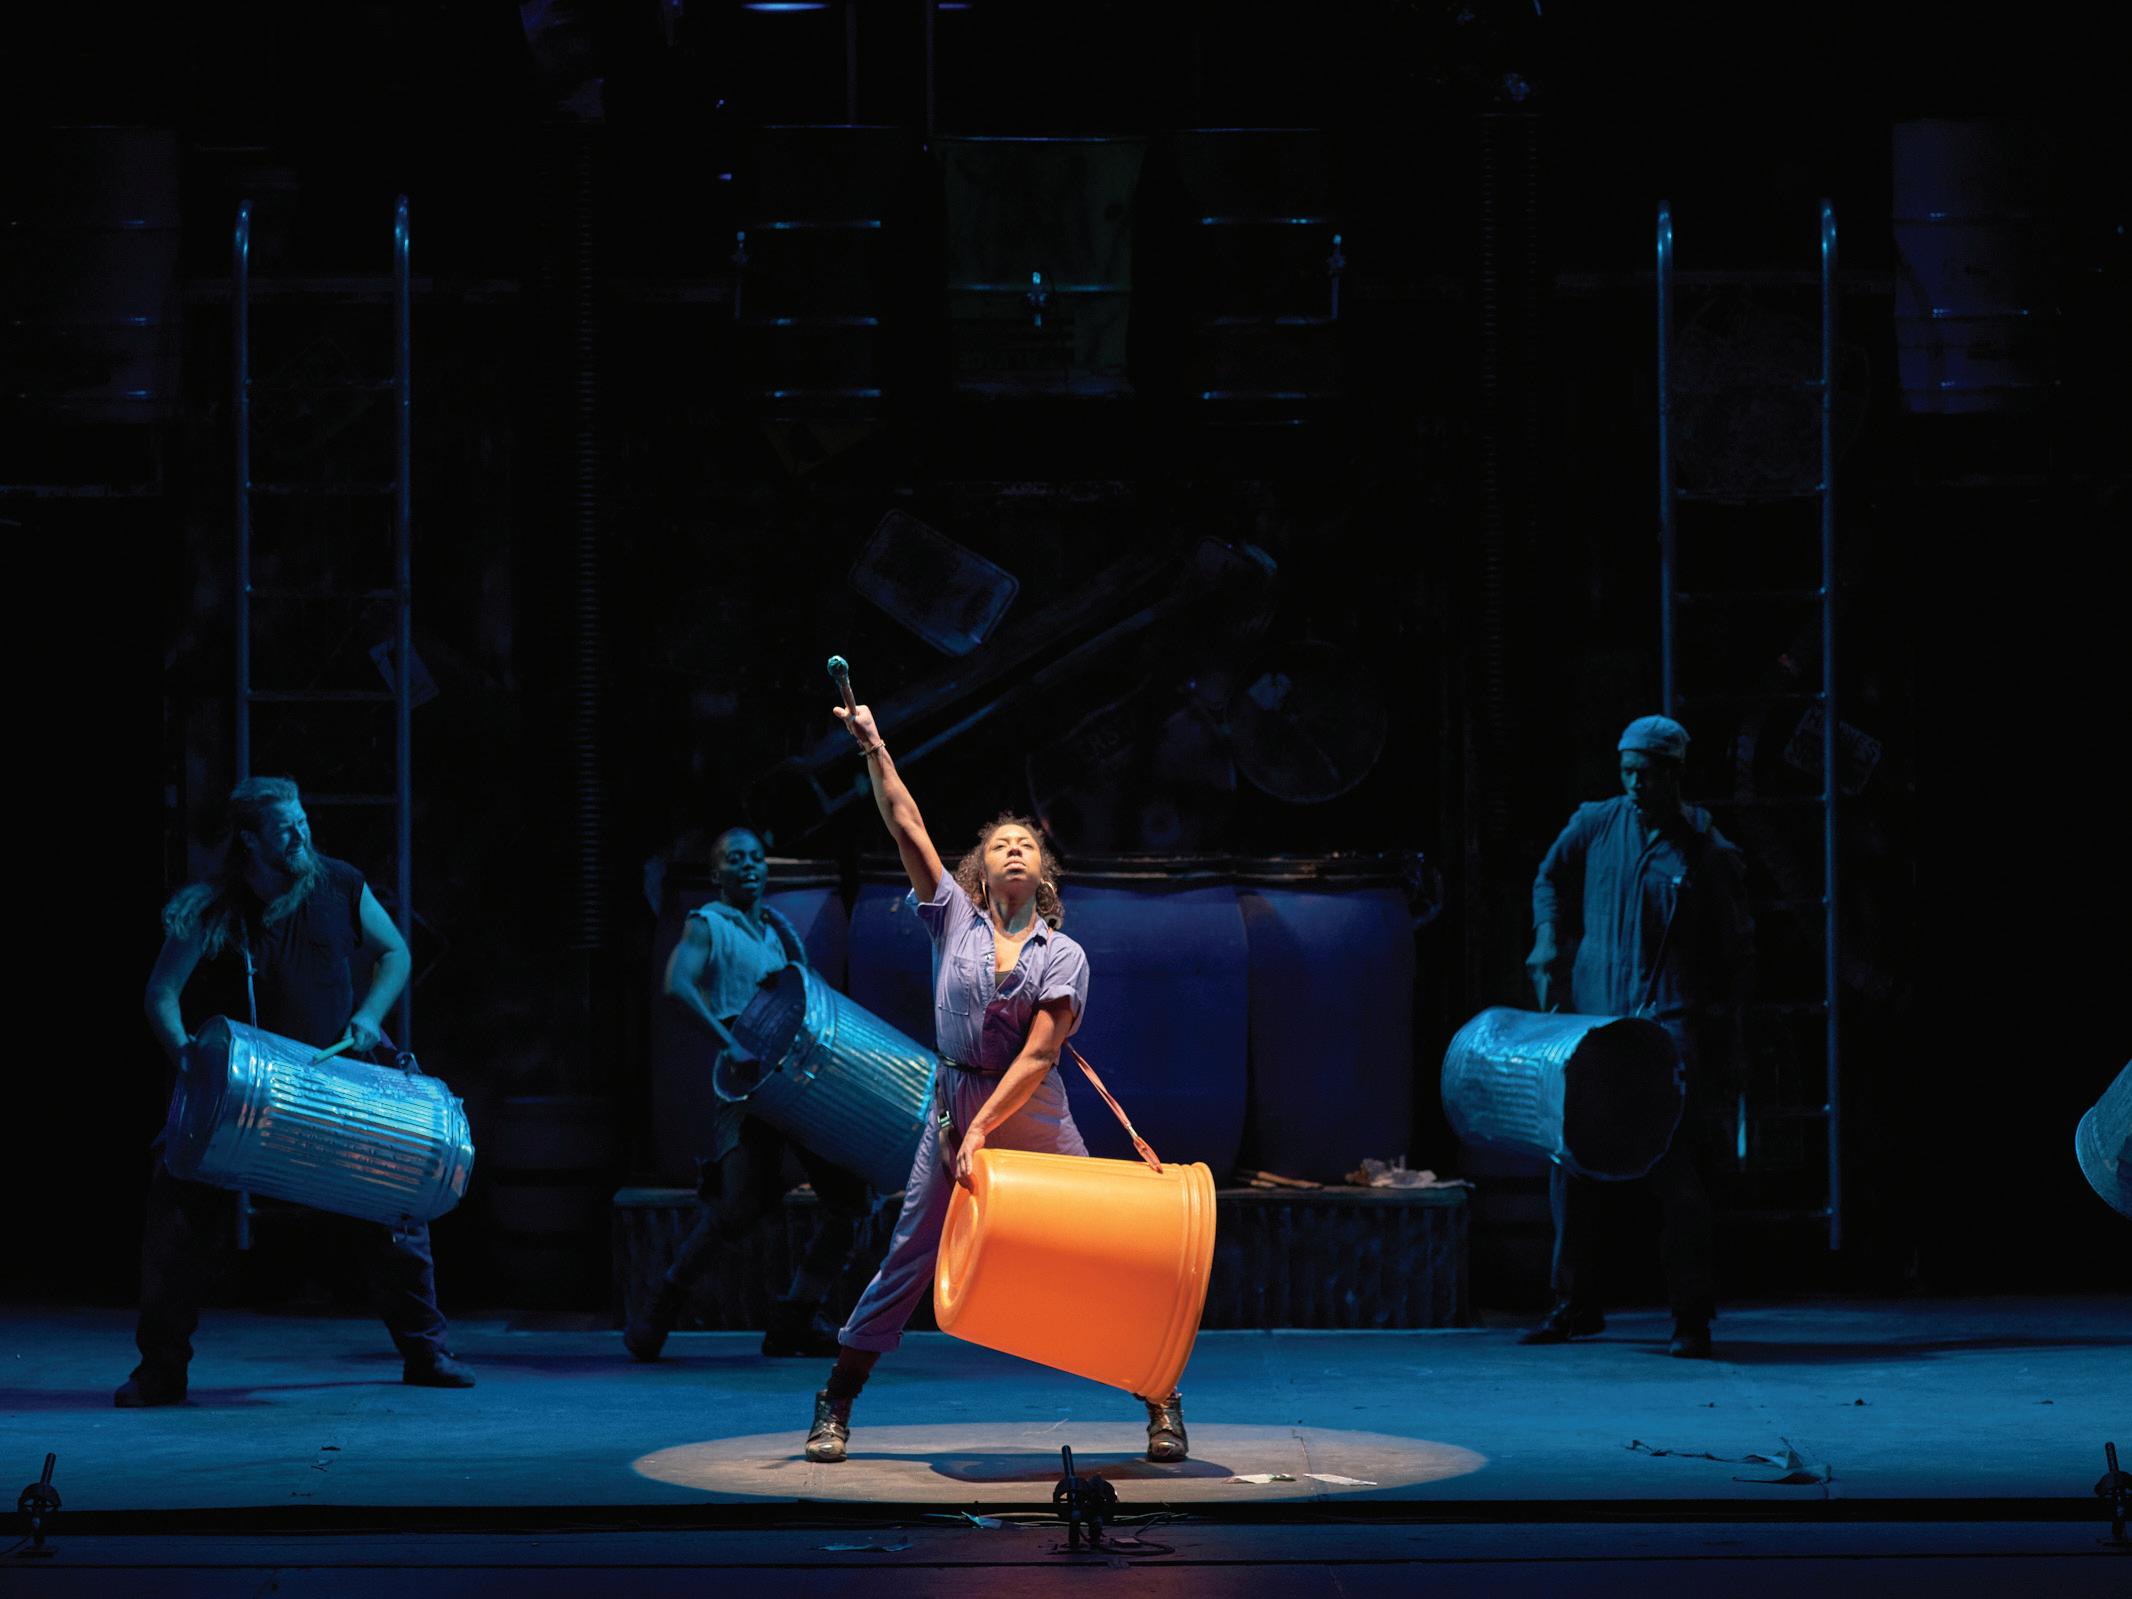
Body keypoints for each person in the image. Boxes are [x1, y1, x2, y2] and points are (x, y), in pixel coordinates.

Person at [800, 694, 1189, 1465]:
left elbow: (1040, 1056)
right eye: (1000, 843)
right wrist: (874, 745)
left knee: (1094, 1249)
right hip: (951, 1105)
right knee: (909, 1255)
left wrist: (982, 1128)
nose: (1014, 849)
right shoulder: (951, 916)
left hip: (1032, 1111)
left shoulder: (1062, 953)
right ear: (980, 868)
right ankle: (836, 1399)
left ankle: (1161, 1396)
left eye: (1027, 844)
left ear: (1042, 872)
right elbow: (907, 823)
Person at [120, 777, 474, 1407]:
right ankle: (161, 1369)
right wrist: (185, 1054)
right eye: (286, 829)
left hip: (339, 1085)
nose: (302, 836)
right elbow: (161, 994)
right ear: (250, 841)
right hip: (246, 1097)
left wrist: (369, 1015)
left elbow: (394, 952)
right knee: (174, 1203)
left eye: (303, 822)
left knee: (397, 1205)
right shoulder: (212, 909)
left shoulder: (339, 884)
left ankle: (427, 1351)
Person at [1521, 715, 1754, 1359]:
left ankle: (1691, 1316)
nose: (1634, 785)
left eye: (1646, 774)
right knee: (1572, 1161)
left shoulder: (1705, 851)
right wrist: (1547, 936)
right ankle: (1573, 1304)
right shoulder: (1597, 823)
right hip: (1595, 1024)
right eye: (1626, 771)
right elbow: (1548, 878)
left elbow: (1737, 953)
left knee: (1676, 1172)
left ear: (1674, 774)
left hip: (1666, 1026)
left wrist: (1730, 1040)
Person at [625, 827, 875, 1360]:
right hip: (747, 1085)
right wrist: (729, 1043)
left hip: (796, 1080)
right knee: (737, 1207)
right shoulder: (707, 924)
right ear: (717, 874)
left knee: (848, 1198)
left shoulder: (778, 933)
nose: (748, 866)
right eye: (735, 859)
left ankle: (795, 1316)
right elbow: (677, 985)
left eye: (756, 858)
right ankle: (660, 1308)